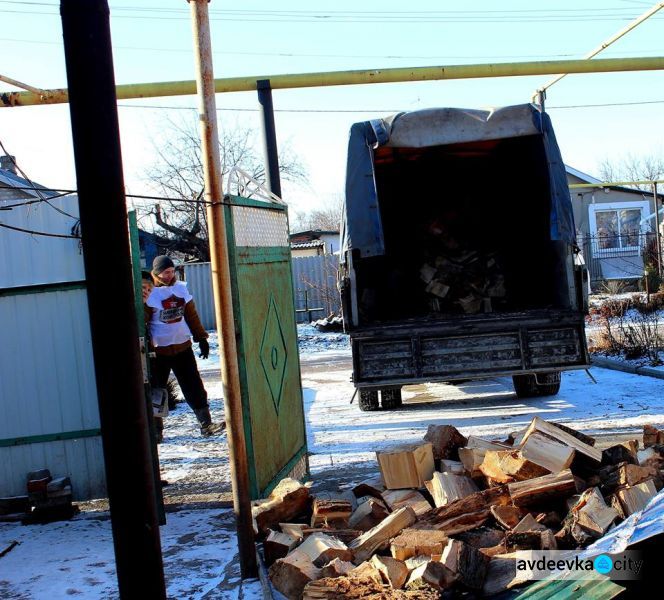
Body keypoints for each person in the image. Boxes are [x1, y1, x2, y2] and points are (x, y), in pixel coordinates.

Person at [143, 255, 225, 437]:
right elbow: (143, 320)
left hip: (182, 348)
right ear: (156, 273)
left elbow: (192, 316)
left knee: (193, 385)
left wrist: (201, 338)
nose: (169, 275)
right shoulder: (150, 293)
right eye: (165, 272)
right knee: (158, 390)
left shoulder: (181, 290)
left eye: (171, 271)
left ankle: (206, 424)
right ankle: (156, 431)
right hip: (159, 352)